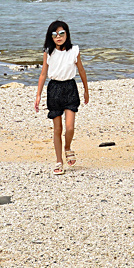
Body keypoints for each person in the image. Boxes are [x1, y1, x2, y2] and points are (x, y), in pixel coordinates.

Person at [34, 20, 89, 175]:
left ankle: (67, 147)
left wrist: (86, 89)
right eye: (54, 34)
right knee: (57, 129)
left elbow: (82, 71)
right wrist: (38, 95)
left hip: (70, 88)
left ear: (67, 34)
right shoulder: (48, 52)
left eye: (61, 33)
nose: (58, 37)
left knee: (70, 127)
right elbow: (43, 74)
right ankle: (59, 161)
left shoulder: (74, 50)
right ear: (50, 37)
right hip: (54, 89)